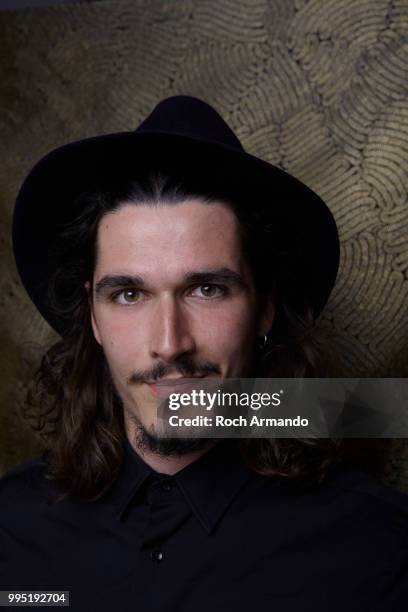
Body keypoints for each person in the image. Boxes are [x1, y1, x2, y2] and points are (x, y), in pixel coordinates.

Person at [1, 96, 407, 611]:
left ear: (264, 309)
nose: (171, 343)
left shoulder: (379, 551)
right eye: (129, 294)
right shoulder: (10, 531)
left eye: (207, 290)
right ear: (94, 318)